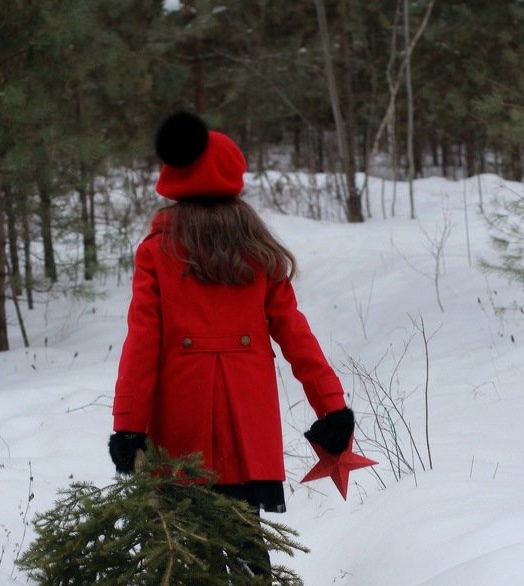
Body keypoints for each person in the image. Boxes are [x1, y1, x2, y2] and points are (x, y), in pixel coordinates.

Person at [108, 110, 354, 507]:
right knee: (245, 534)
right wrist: (332, 406)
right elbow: (295, 334)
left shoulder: (156, 251)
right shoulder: (258, 252)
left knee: (184, 539)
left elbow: (141, 343)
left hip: (181, 423)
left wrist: (128, 425)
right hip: (249, 424)